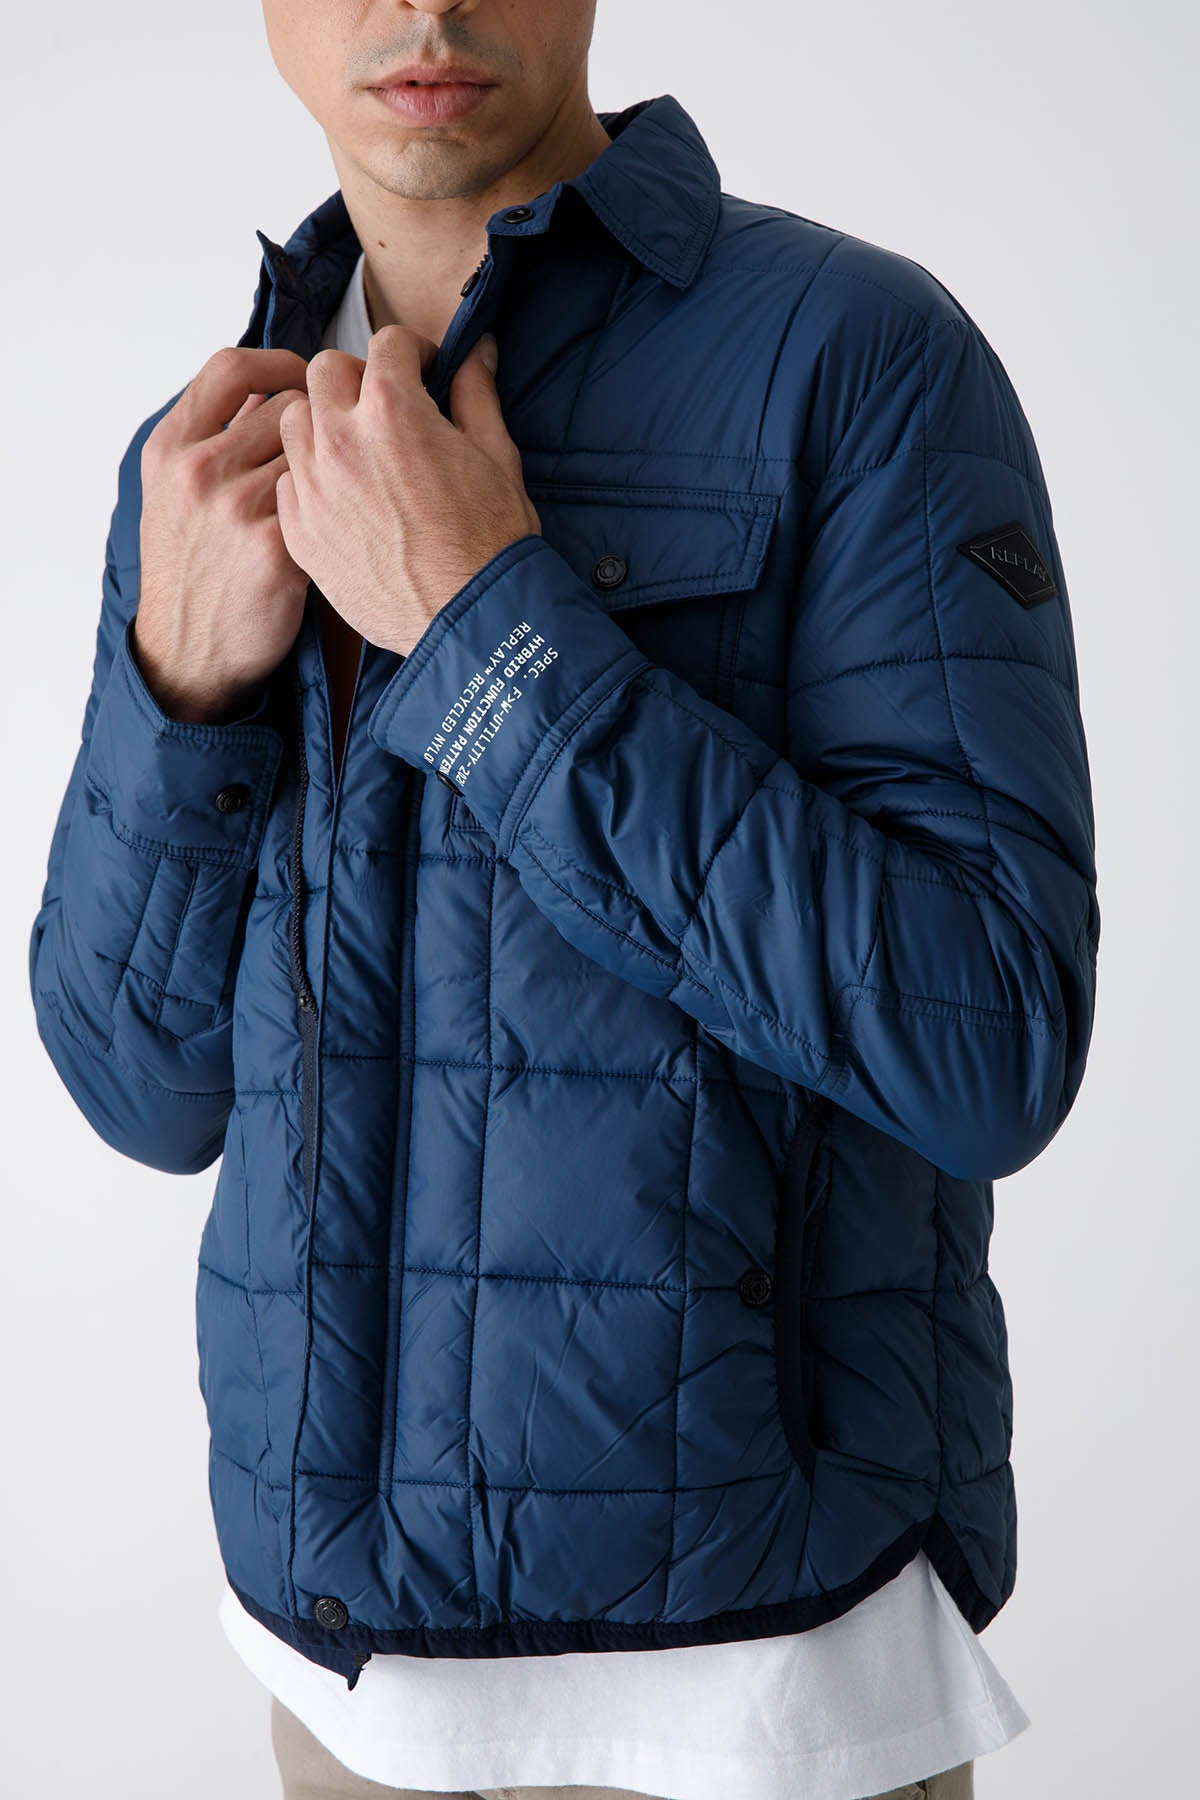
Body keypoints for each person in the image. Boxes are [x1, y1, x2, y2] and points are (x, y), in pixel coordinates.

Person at [28, 1, 1099, 1796]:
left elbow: (991, 1037)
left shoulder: (860, 357)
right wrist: (179, 688)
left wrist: (488, 639)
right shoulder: (211, 447)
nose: (426, 2)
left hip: (764, 1700)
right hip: (342, 1699)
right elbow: (142, 1090)